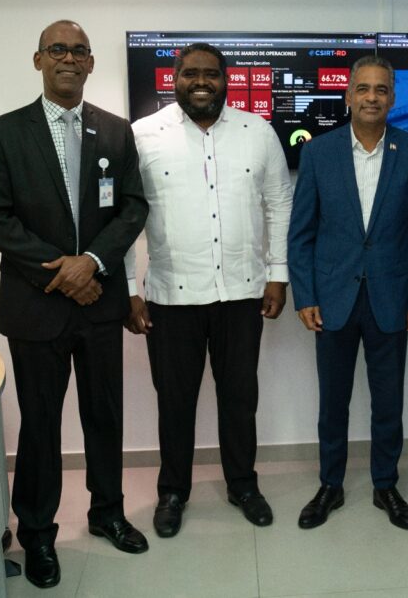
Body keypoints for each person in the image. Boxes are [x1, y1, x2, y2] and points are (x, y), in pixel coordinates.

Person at [0, 20, 150, 589]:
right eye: (58, 50)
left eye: (78, 51)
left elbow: (131, 208)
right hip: (37, 307)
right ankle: (38, 535)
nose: (68, 59)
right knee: (41, 425)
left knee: (105, 416)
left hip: (100, 302)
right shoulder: (1, 133)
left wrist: (92, 263)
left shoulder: (117, 132)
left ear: (91, 63)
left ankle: (107, 514)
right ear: (38, 60)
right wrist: (65, 270)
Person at [124, 42, 292, 538]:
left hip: (241, 293)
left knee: (240, 398)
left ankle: (243, 484)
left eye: (212, 74)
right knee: (174, 401)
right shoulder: (142, 136)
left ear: (226, 79)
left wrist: (277, 274)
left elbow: (279, 204)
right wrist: (130, 288)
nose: (202, 82)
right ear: (173, 78)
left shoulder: (257, 132)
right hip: (170, 298)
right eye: (191, 73)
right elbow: (126, 219)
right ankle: (172, 492)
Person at [288, 56, 408, 530]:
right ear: (348, 96)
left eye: (382, 89)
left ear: (393, 98)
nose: (372, 97)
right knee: (333, 401)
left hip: (391, 299)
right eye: (364, 89)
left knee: (387, 400)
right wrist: (305, 294)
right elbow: (301, 234)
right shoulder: (318, 153)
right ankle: (330, 484)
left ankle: (385, 484)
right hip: (332, 298)